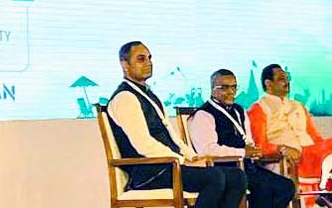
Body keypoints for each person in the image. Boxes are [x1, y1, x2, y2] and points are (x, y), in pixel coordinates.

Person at [107, 41, 247, 208]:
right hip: (149, 171)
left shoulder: (150, 95)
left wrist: (192, 156)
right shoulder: (125, 98)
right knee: (214, 177)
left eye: (150, 58)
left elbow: (172, 135)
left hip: (168, 165)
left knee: (237, 177)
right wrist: (181, 161)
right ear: (125, 65)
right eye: (141, 59)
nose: (148, 63)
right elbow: (143, 144)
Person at [189, 69, 295, 208]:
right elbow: (207, 150)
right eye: (224, 88)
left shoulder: (239, 110)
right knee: (263, 189)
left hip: (248, 167)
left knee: (286, 187)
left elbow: (248, 140)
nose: (231, 92)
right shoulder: (204, 114)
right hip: (225, 170)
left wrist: (253, 151)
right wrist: (243, 152)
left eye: (234, 87)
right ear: (212, 89)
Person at [248, 64, 332, 206]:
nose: (287, 82)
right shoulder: (258, 108)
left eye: (287, 78)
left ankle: (325, 190)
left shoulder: (298, 106)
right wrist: (281, 149)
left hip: (312, 153)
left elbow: (315, 138)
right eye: (281, 79)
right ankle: (325, 191)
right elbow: (259, 146)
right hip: (285, 158)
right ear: (268, 84)